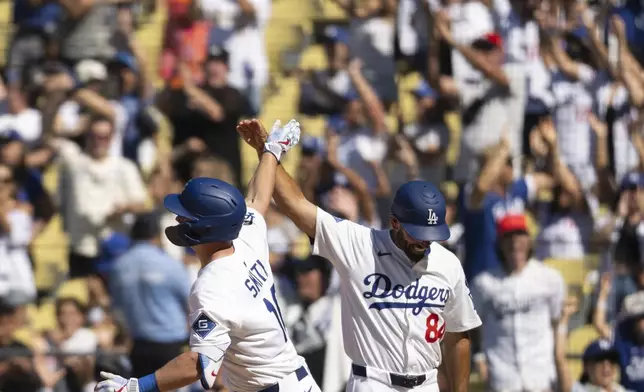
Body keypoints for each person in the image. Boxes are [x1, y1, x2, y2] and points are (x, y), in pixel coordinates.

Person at [237, 119, 481, 392]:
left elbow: (459, 335)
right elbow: (295, 204)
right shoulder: (358, 244)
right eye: (417, 232)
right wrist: (267, 151)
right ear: (395, 222)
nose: (425, 240)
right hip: (373, 382)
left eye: (431, 233)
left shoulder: (447, 264)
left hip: (427, 384)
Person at [95, 119, 321, 392]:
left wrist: (135, 387)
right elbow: (257, 198)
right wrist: (271, 151)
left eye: (186, 215)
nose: (178, 217)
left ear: (206, 227)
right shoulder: (243, 236)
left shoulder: (213, 286)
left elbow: (202, 364)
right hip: (295, 380)